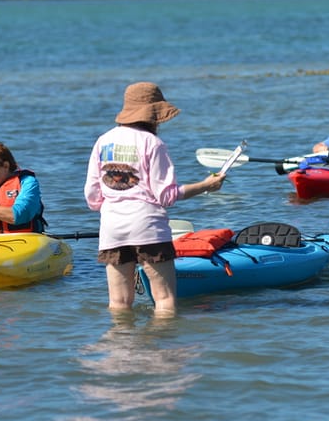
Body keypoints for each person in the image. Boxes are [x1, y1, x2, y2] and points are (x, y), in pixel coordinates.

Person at [85, 82, 226, 317]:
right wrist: (205, 186)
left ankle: (121, 351)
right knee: (164, 300)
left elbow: (92, 196)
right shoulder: (153, 143)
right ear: (154, 116)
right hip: (147, 225)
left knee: (119, 304)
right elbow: (166, 196)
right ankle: (161, 351)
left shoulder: (103, 140)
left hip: (112, 226)